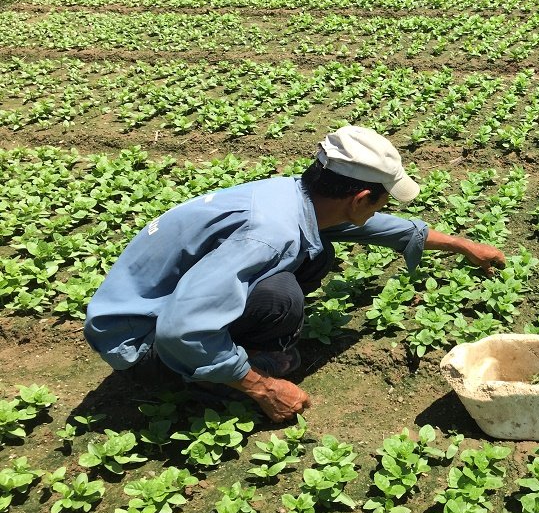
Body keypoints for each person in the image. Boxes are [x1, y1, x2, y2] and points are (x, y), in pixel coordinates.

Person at [84, 126, 506, 422]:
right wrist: (261, 387)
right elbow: (181, 331)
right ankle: (213, 379)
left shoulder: (292, 195)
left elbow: (369, 226)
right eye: (380, 202)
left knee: (312, 256)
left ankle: (233, 350)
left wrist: (461, 245)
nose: (379, 211)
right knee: (283, 297)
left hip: (152, 307)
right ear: (360, 197)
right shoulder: (271, 234)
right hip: (143, 344)